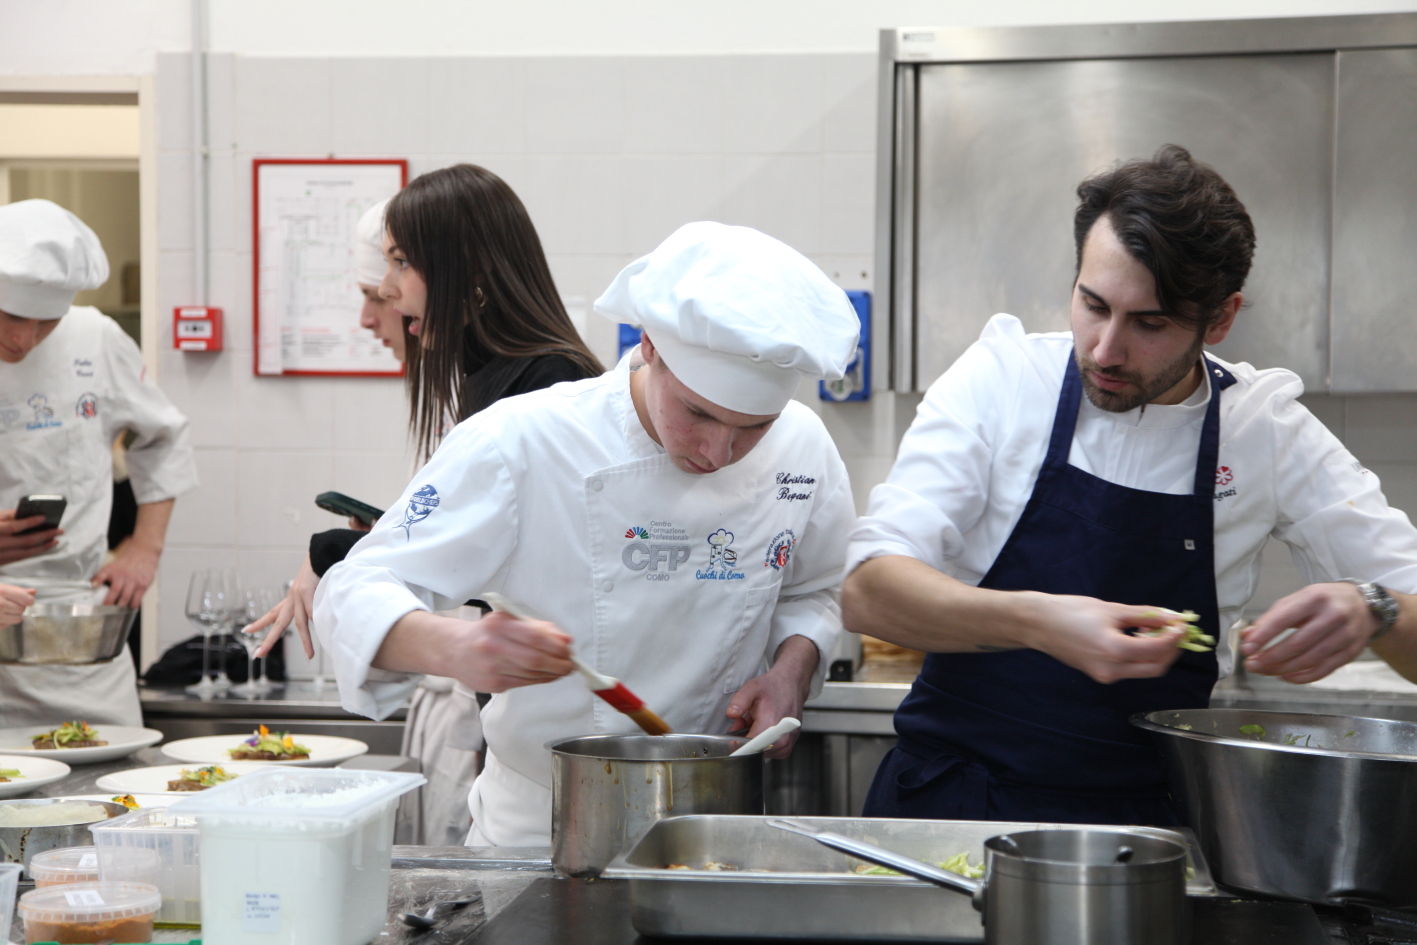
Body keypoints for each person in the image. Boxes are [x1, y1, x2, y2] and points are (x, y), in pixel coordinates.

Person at [844, 145, 1417, 827]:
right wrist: (1041, 622)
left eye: (1150, 323)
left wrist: (1377, 608)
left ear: (1221, 318)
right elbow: (869, 592)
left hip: (1143, 836)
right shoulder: (1003, 380)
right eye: (1092, 304)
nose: (1105, 349)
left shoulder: (1262, 429)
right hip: (952, 809)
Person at [313, 221, 861, 847]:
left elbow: (817, 590)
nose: (719, 451)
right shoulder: (522, 442)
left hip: (716, 826)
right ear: (649, 345)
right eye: (698, 413)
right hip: (542, 832)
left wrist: (793, 668)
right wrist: (453, 647)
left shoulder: (802, 446)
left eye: (754, 428)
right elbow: (354, 588)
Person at [247, 165, 604, 844]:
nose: (386, 292)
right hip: (528, 740)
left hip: (563, 742)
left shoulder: (545, 386)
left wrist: (336, 553)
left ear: (469, 271)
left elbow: (526, 564)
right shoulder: (495, 379)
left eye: (401, 264)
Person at [0, 199, 197, 726]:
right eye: (11, 316)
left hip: (77, 633)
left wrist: (144, 550)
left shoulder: (95, 338)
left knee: (113, 772)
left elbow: (164, 436)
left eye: (45, 323)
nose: (23, 339)